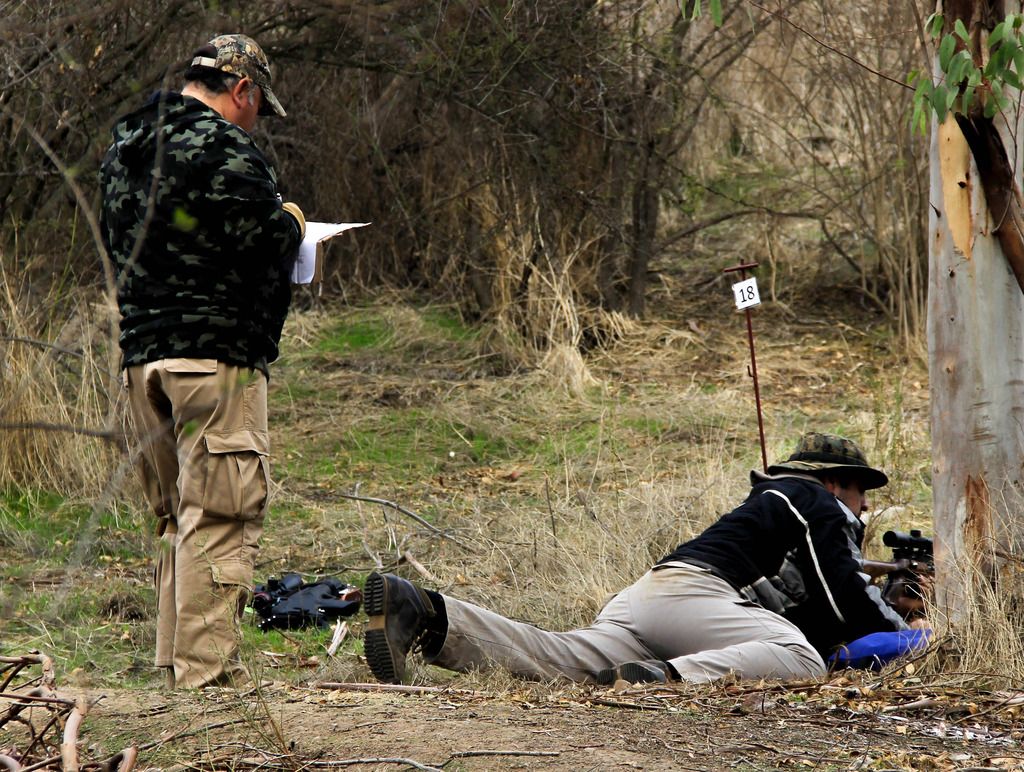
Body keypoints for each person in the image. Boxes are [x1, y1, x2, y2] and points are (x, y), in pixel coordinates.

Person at [363, 432, 919, 685]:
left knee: (560, 660)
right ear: (833, 483)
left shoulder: (774, 505)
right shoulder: (814, 501)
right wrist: (919, 633)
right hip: (693, 601)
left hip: (648, 600)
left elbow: (809, 610)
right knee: (801, 661)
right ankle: (664, 679)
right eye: (860, 490)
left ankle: (426, 614)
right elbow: (846, 593)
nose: (865, 506)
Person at [100, 34, 305, 689]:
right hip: (214, 362)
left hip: (140, 364)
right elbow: (266, 245)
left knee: (177, 514)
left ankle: (173, 663)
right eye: (256, 106)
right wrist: (296, 223)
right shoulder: (229, 151)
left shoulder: (126, 148)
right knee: (220, 515)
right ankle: (207, 681)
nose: (255, 120)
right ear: (241, 91)